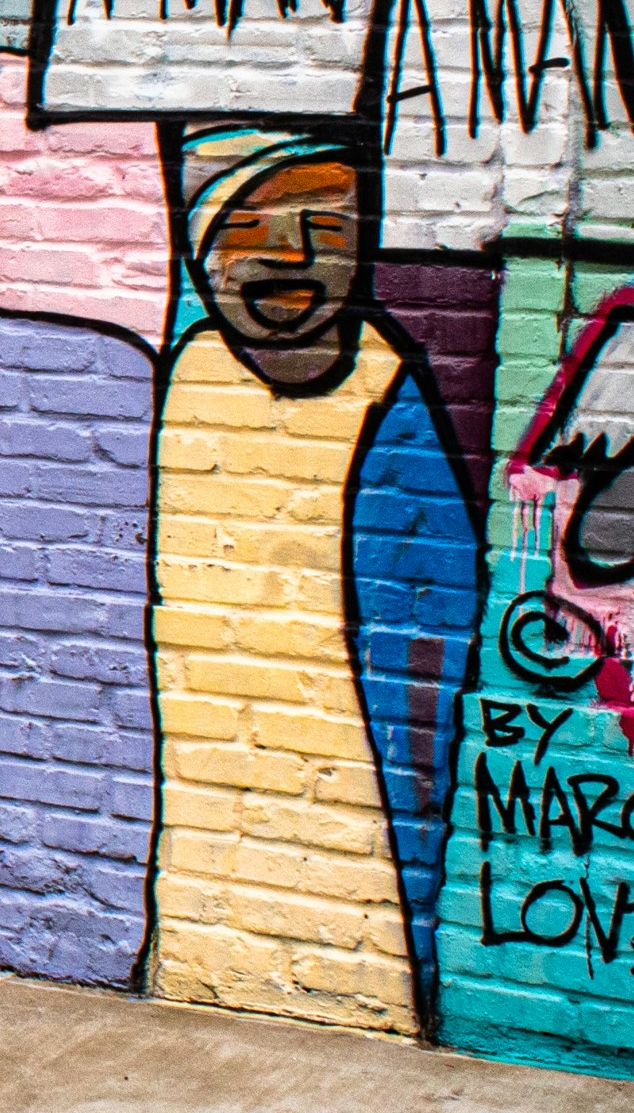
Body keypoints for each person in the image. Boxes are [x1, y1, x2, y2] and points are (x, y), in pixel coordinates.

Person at [149, 126, 476, 1035]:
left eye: (323, 226)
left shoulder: (383, 396)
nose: (287, 255)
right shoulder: (189, 376)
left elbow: (430, 652)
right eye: (247, 225)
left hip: (360, 807)